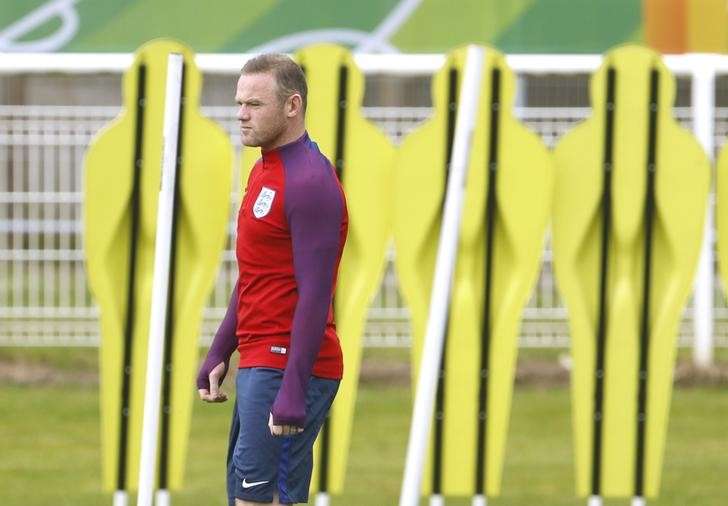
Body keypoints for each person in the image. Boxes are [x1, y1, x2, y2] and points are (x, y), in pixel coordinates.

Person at [196, 53, 348, 506]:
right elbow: (256, 275)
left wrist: (295, 386)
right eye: (239, 103)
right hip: (261, 360)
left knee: (260, 500)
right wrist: (222, 349)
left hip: (289, 365)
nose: (242, 114)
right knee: (245, 496)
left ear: (292, 106)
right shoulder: (264, 168)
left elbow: (316, 293)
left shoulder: (310, 182)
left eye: (255, 104)